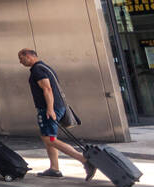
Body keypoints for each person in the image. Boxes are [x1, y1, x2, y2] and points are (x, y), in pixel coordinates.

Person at [17, 49, 95, 179]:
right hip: (55, 107)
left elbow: (47, 89)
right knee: (49, 138)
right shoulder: (45, 67)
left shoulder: (38, 70)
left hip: (48, 109)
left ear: (29, 56)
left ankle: (84, 160)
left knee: (49, 139)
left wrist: (50, 109)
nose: (20, 62)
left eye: (21, 58)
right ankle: (54, 168)